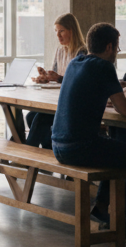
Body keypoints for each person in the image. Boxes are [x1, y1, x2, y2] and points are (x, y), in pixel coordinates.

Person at [51, 23, 126, 243]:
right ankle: (116, 217)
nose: (116, 54)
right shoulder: (104, 67)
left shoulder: (75, 63)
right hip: (80, 148)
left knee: (117, 148)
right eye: (117, 49)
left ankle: (102, 208)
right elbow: (125, 111)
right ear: (109, 46)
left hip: (58, 145)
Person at [26, 13, 88, 148]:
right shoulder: (60, 50)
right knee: (30, 117)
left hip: (71, 103)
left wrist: (58, 78)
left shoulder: (82, 52)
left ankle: (27, 156)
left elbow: (79, 81)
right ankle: (49, 151)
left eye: (62, 31)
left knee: (40, 118)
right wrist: (45, 77)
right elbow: (55, 74)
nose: (58, 36)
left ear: (72, 31)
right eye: (56, 32)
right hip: (57, 99)